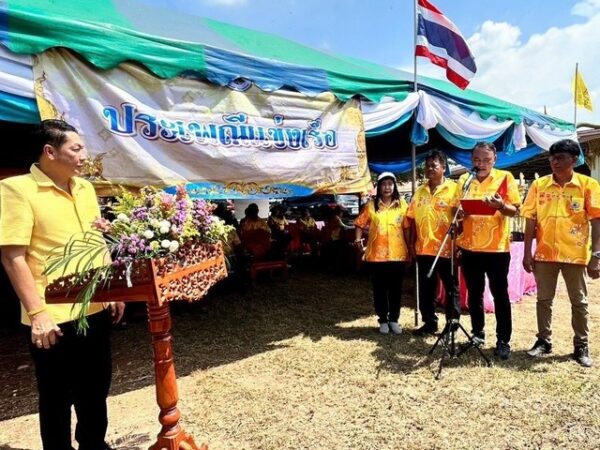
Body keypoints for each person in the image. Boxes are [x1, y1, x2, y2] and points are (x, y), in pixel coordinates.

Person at [0, 119, 125, 450]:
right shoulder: (16, 189)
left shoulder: (84, 188)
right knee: (57, 395)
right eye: (76, 148)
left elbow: (96, 240)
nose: (84, 155)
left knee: (96, 386)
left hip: (94, 306)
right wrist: (37, 312)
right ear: (49, 152)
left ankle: (93, 444)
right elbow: (13, 256)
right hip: (52, 315)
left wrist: (110, 288)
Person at [522, 139, 600, 367]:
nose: (554, 162)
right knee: (543, 300)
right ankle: (543, 341)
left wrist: (596, 255)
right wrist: (528, 252)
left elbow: (597, 221)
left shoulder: (588, 185)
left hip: (575, 254)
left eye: (560, 158)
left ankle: (581, 345)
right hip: (545, 253)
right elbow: (530, 220)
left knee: (579, 301)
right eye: (552, 157)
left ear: (574, 159)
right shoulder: (539, 186)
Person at [455, 142, 521, 360]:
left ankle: (503, 339)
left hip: (496, 249)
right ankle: (477, 333)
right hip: (469, 247)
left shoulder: (505, 178)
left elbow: (515, 211)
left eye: (485, 160)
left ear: (494, 160)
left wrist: (501, 206)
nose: (480, 164)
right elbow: (457, 209)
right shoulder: (465, 180)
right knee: (474, 294)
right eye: (476, 159)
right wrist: (460, 215)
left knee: (500, 294)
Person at [406, 150, 460, 336]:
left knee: (451, 288)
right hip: (423, 249)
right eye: (427, 165)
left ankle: (452, 324)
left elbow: (462, 218)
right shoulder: (419, 191)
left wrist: (458, 245)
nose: (429, 169)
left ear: (444, 168)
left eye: (433, 165)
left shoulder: (455, 189)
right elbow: (411, 219)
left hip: (446, 248)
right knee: (426, 290)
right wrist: (412, 243)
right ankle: (429, 322)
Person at [354, 172, 409, 335]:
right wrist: (358, 241)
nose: (387, 187)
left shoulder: (402, 204)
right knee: (379, 289)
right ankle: (383, 320)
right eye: (384, 184)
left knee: (395, 289)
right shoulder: (371, 205)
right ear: (379, 187)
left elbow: (406, 228)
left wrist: (410, 248)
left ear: (394, 186)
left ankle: (394, 320)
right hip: (376, 255)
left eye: (390, 184)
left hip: (398, 254)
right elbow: (359, 223)